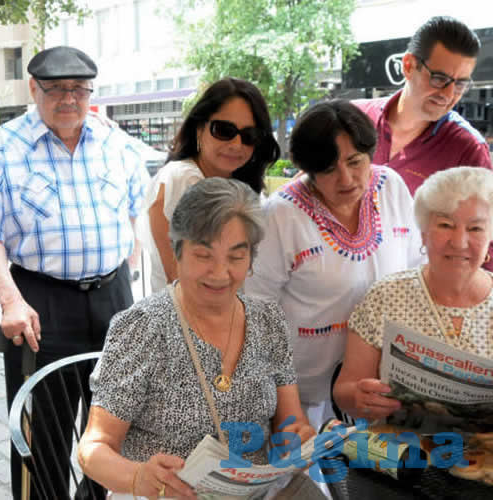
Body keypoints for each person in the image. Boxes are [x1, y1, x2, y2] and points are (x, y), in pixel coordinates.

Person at [0, 45, 147, 500]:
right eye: (56, 89)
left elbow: (136, 213)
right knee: (42, 433)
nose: (69, 98)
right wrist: (9, 300)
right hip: (41, 304)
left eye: (79, 89)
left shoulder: (114, 142)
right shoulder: (4, 147)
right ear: (33, 89)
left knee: (110, 425)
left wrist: (127, 276)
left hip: (113, 299)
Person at [78, 178, 315, 498]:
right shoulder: (141, 328)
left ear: (251, 258)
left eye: (235, 257)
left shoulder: (268, 320)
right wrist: (139, 477)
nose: (220, 273)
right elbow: (93, 448)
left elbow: (290, 421)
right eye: (204, 255)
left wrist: (297, 439)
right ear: (177, 252)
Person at [333, 167, 493, 436]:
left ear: (491, 237)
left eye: (475, 228)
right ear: (424, 232)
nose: (460, 242)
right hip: (401, 464)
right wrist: (359, 398)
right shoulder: (386, 296)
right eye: (445, 225)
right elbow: (344, 391)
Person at [245, 100, 424, 431]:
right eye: (328, 169)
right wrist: (286, 409)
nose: (346, 178)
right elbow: (256, 317)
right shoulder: (281, 216)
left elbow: (417, 275)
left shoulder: (392, 189)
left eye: (355, 161)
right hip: (300, 400)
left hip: (382, 391)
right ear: (309, 171)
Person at [352, 16, 493, 272]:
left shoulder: (466, 148)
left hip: (409, 302)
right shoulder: (352, 120)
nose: (448, 94)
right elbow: (303, 197)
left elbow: (483, 252)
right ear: (408, 65)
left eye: (461, 84)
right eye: (440, 78)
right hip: (329, 300)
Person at [145, 77, 279, 293]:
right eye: (224, 130)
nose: (236, 144)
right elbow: (180, 278)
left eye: (248, 136)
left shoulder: (240, 187)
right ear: (199, 129)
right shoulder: (183, 179)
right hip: (190, 320)